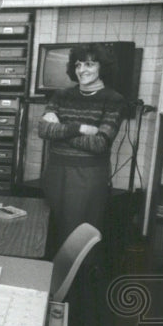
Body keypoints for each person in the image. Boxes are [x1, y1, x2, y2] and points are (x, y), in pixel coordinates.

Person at [37, 43, 126, 249]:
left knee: (77, 236)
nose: (82, 70)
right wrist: (80, 128)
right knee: (47, 232)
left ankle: (76, 280)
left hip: (88, 178)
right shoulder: (61, 95)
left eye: (89, 64)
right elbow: (43, 130)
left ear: (101, 67)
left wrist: (60, 130)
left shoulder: (114, 100)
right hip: (55, 172)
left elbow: (99, 143)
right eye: (77, 65)